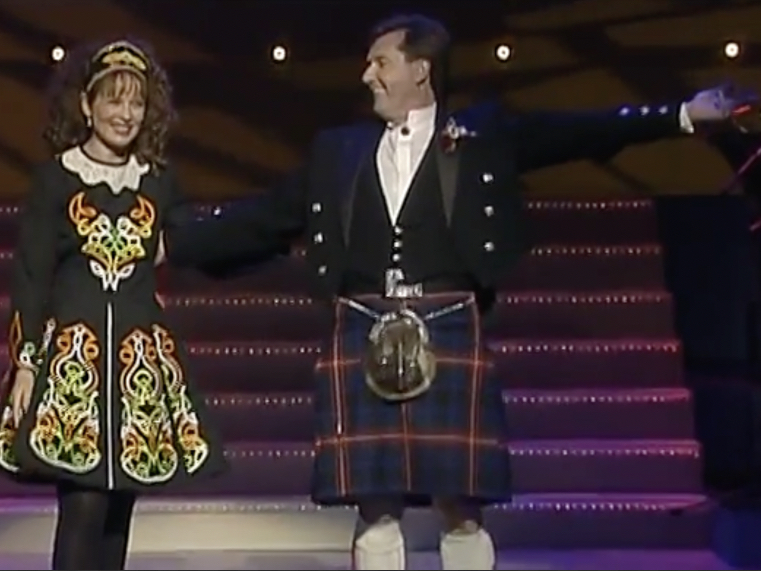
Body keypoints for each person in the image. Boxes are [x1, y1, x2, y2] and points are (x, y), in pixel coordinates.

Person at [165, 13, 750, 571]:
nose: (367, 75)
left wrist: (680, 115)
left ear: (420, 69)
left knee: (460, 506)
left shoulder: (480, 136)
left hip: (448, 323)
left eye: (380, 62)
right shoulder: (337, 151)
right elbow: (266, 217)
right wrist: (173, 245)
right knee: (373, 504)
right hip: (362, 326)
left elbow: (577, 133)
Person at [0, 37, 226, 570]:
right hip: (74, 369)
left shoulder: (158, 181)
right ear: (87, 106)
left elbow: (189, 239)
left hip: (137, 367)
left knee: (117, 513)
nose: (125, 114)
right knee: (83, 506)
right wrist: (25, 363)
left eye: (136, 102)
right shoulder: (55, 179)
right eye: (114, 100)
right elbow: (31, 275)